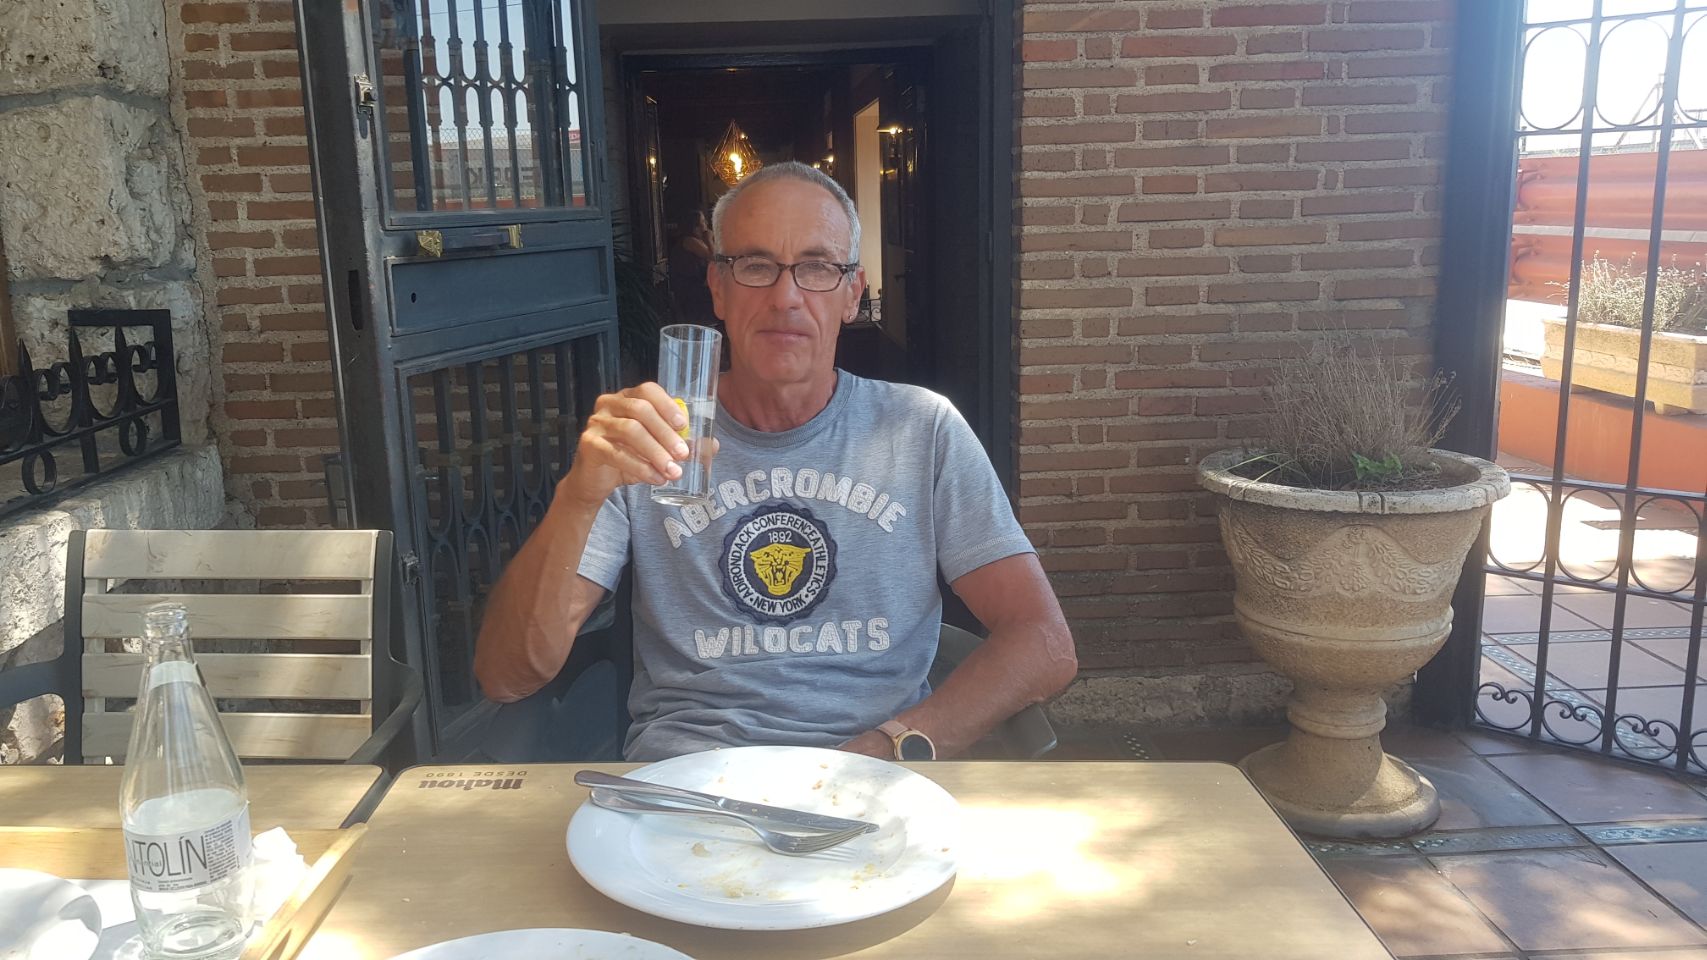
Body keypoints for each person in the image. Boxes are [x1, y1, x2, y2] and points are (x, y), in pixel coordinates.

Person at [474, 161, 1077, 761]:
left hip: (874, 782)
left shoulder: (922, 429)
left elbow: (1044, 642)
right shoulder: (650, 437)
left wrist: (886, 749)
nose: (786, 297)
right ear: (718, 287)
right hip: (687, 782)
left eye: (817, 267)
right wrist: (579, 496)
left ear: (852, 293)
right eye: (756, 265)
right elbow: (507, 675)